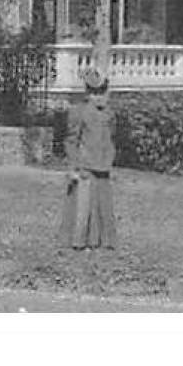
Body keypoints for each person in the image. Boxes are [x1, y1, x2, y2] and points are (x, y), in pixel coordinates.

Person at [59, 66, 117, 250]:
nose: (98, 97)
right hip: (85, 165)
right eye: (94, 93)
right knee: (83, 206)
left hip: (103, 165)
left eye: (102, 92)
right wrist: (75, 165)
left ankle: (103, 240)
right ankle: (78, 240)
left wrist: (109, 157)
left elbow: (112, 136)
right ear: (87, 92)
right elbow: (71, 140)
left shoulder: (109, 113)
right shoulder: (79, 112)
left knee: (103, 206)